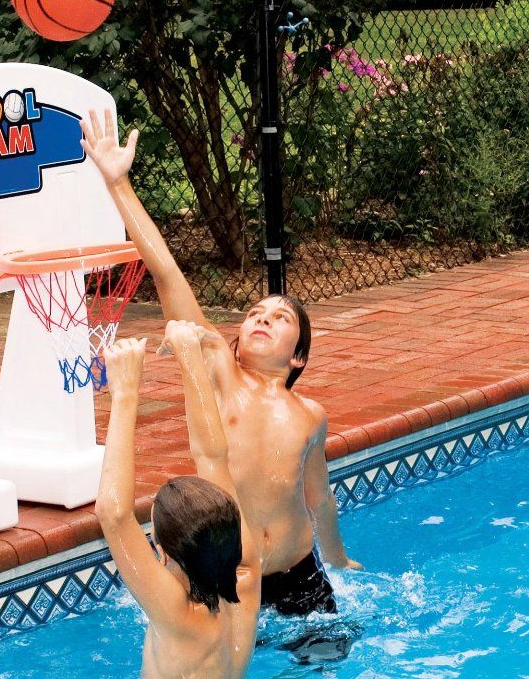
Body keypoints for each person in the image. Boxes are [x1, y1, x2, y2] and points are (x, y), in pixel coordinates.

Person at [82, 110, 361, 618]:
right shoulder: (220, 372)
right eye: (255, 313)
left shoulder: (311, 416)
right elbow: (164, 270)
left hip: (301, 573)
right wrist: (117, 182)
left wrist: (338, 559)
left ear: (298, 355)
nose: (262, 317)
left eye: (280, 318)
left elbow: (318, 498)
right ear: (232, 342)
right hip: (233, 575)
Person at [96, 324, 261, 679]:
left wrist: (125, 394)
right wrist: (188, 354)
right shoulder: (247, 576)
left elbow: (113, 514)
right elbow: (212, 457)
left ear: (165, 552)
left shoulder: (178, 615)